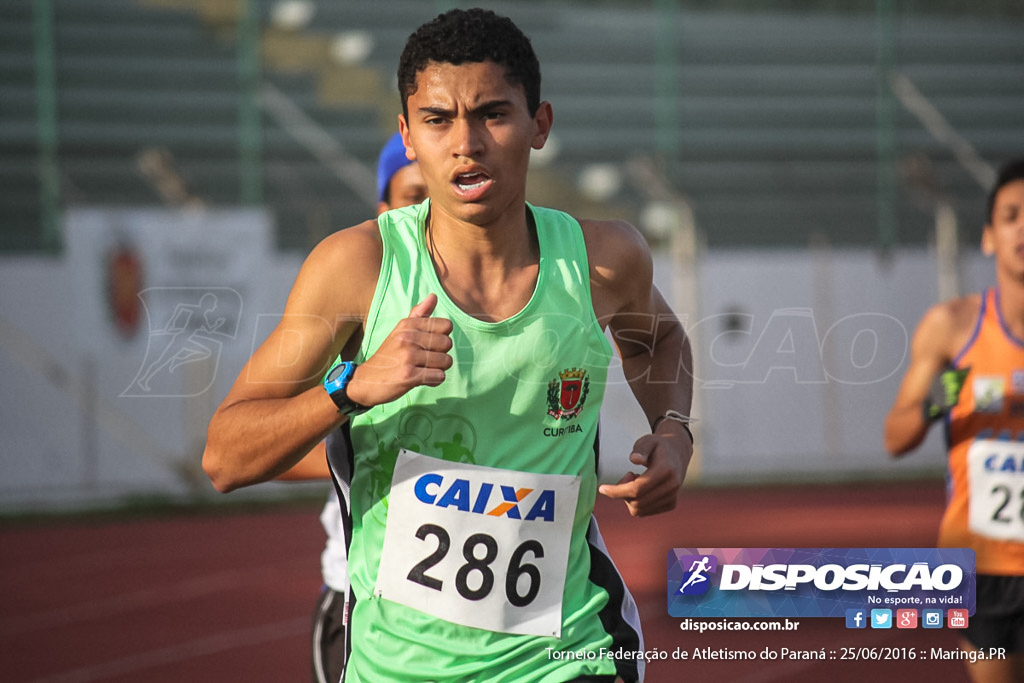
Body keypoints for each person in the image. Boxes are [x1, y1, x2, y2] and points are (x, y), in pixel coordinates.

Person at [203, 8, 694, 682]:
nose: (466, 142)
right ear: (407, 135)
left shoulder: (604, 259)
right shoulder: (358, 267)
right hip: (397, 666)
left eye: (493, 113)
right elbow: (225, 455)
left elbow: (658, 341)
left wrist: (673, 430)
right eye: (437, 120)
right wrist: (350, 388)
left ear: (539, 125)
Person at [278, 131, 427, 683]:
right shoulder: (354, 295)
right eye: (414, 195)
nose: (432, 207)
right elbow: (262, 444)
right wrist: (377, 455)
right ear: (383, 209)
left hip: (518, 622)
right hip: (365, 603)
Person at [884, 157, 1024, 683]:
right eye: (1012, 215)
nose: (1023, 228)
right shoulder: (953, 327)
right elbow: (895, 437)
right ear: (989, 238)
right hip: (981, 564)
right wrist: (945, 395)